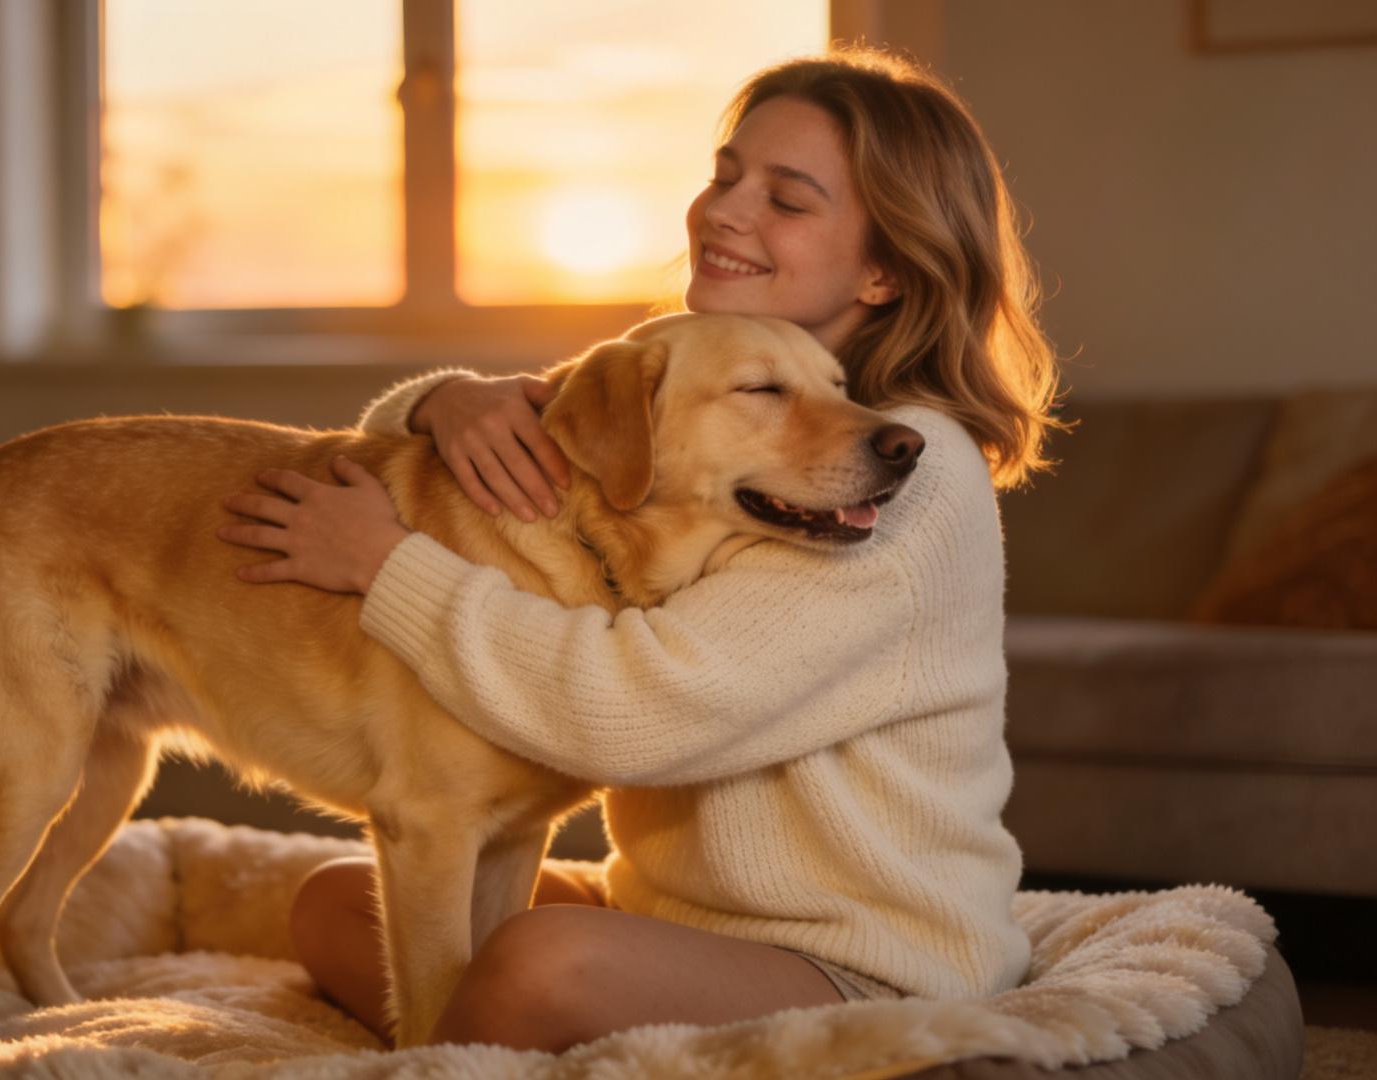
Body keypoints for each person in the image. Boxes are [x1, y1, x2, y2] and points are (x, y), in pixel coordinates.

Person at [215, 44, 1063, 1053]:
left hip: (861, 959)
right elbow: (560, 429)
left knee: (541, 966)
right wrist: (447, 401)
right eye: (724, 175)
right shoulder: (720, 383)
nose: (723, 211)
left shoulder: (894, 473)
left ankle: (485, 1047)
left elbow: (634, 712)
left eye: (785, 200)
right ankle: (518, 1038)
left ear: (883, 268)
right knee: (332, 903)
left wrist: (389, 566)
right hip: (674, 919)